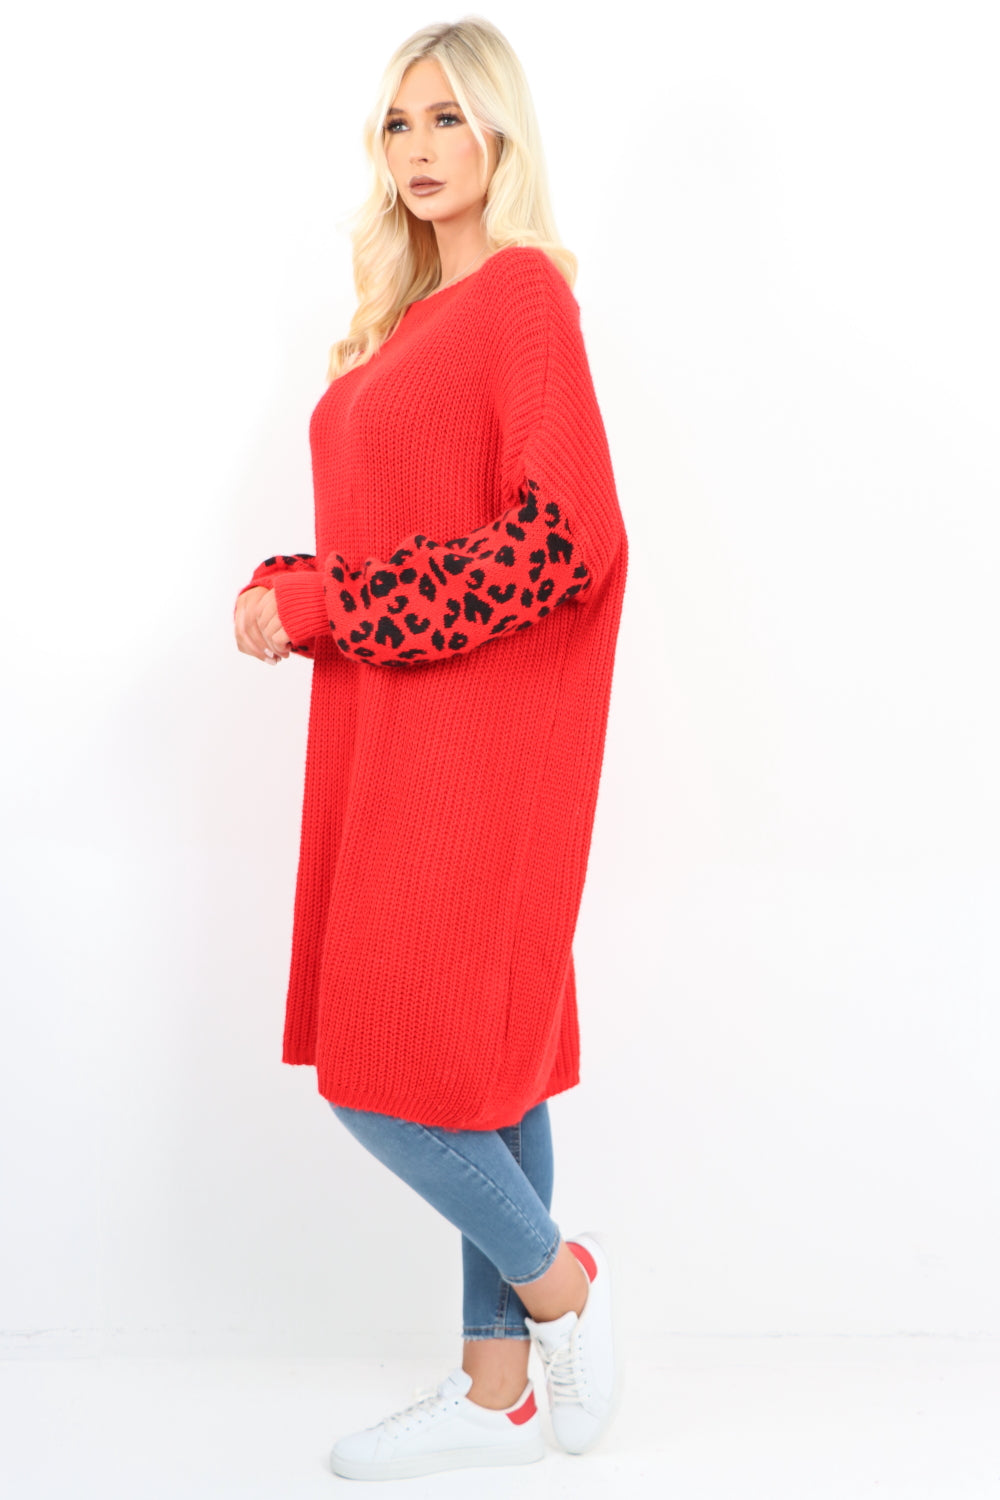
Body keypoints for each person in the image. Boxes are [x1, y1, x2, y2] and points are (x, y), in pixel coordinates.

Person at [232, 16, 628, 1482]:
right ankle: (495, 1389)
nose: (418, 148)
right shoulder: (403, 326)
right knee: (488, 1072)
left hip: (477, 750)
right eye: (397, 123)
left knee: (384, 1072)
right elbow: (408, 544)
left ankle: (564, 1290)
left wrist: (333, 603)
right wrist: (297, 587)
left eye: (447, 117)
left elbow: (560, 541)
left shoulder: (522, 297)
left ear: (500, 136)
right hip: (399, 731)